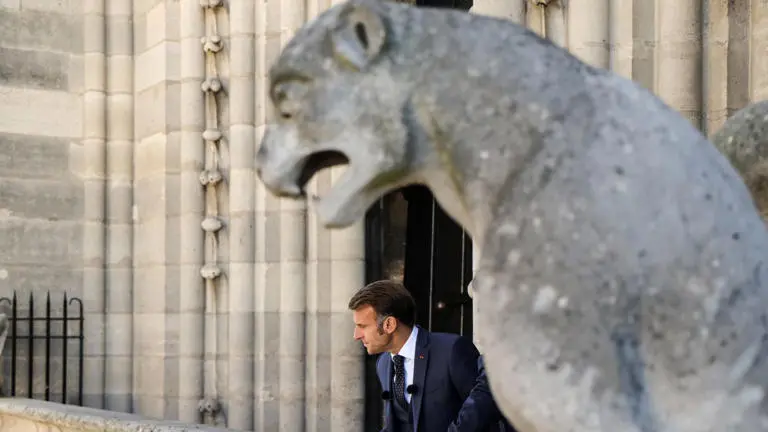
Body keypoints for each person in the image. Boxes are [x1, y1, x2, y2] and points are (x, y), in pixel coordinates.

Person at [349, 279, 510, 431]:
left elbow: (486, 406)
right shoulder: (383, 364)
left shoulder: (452, 350)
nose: (356, 335)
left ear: (389, 324)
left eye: (362, 326)